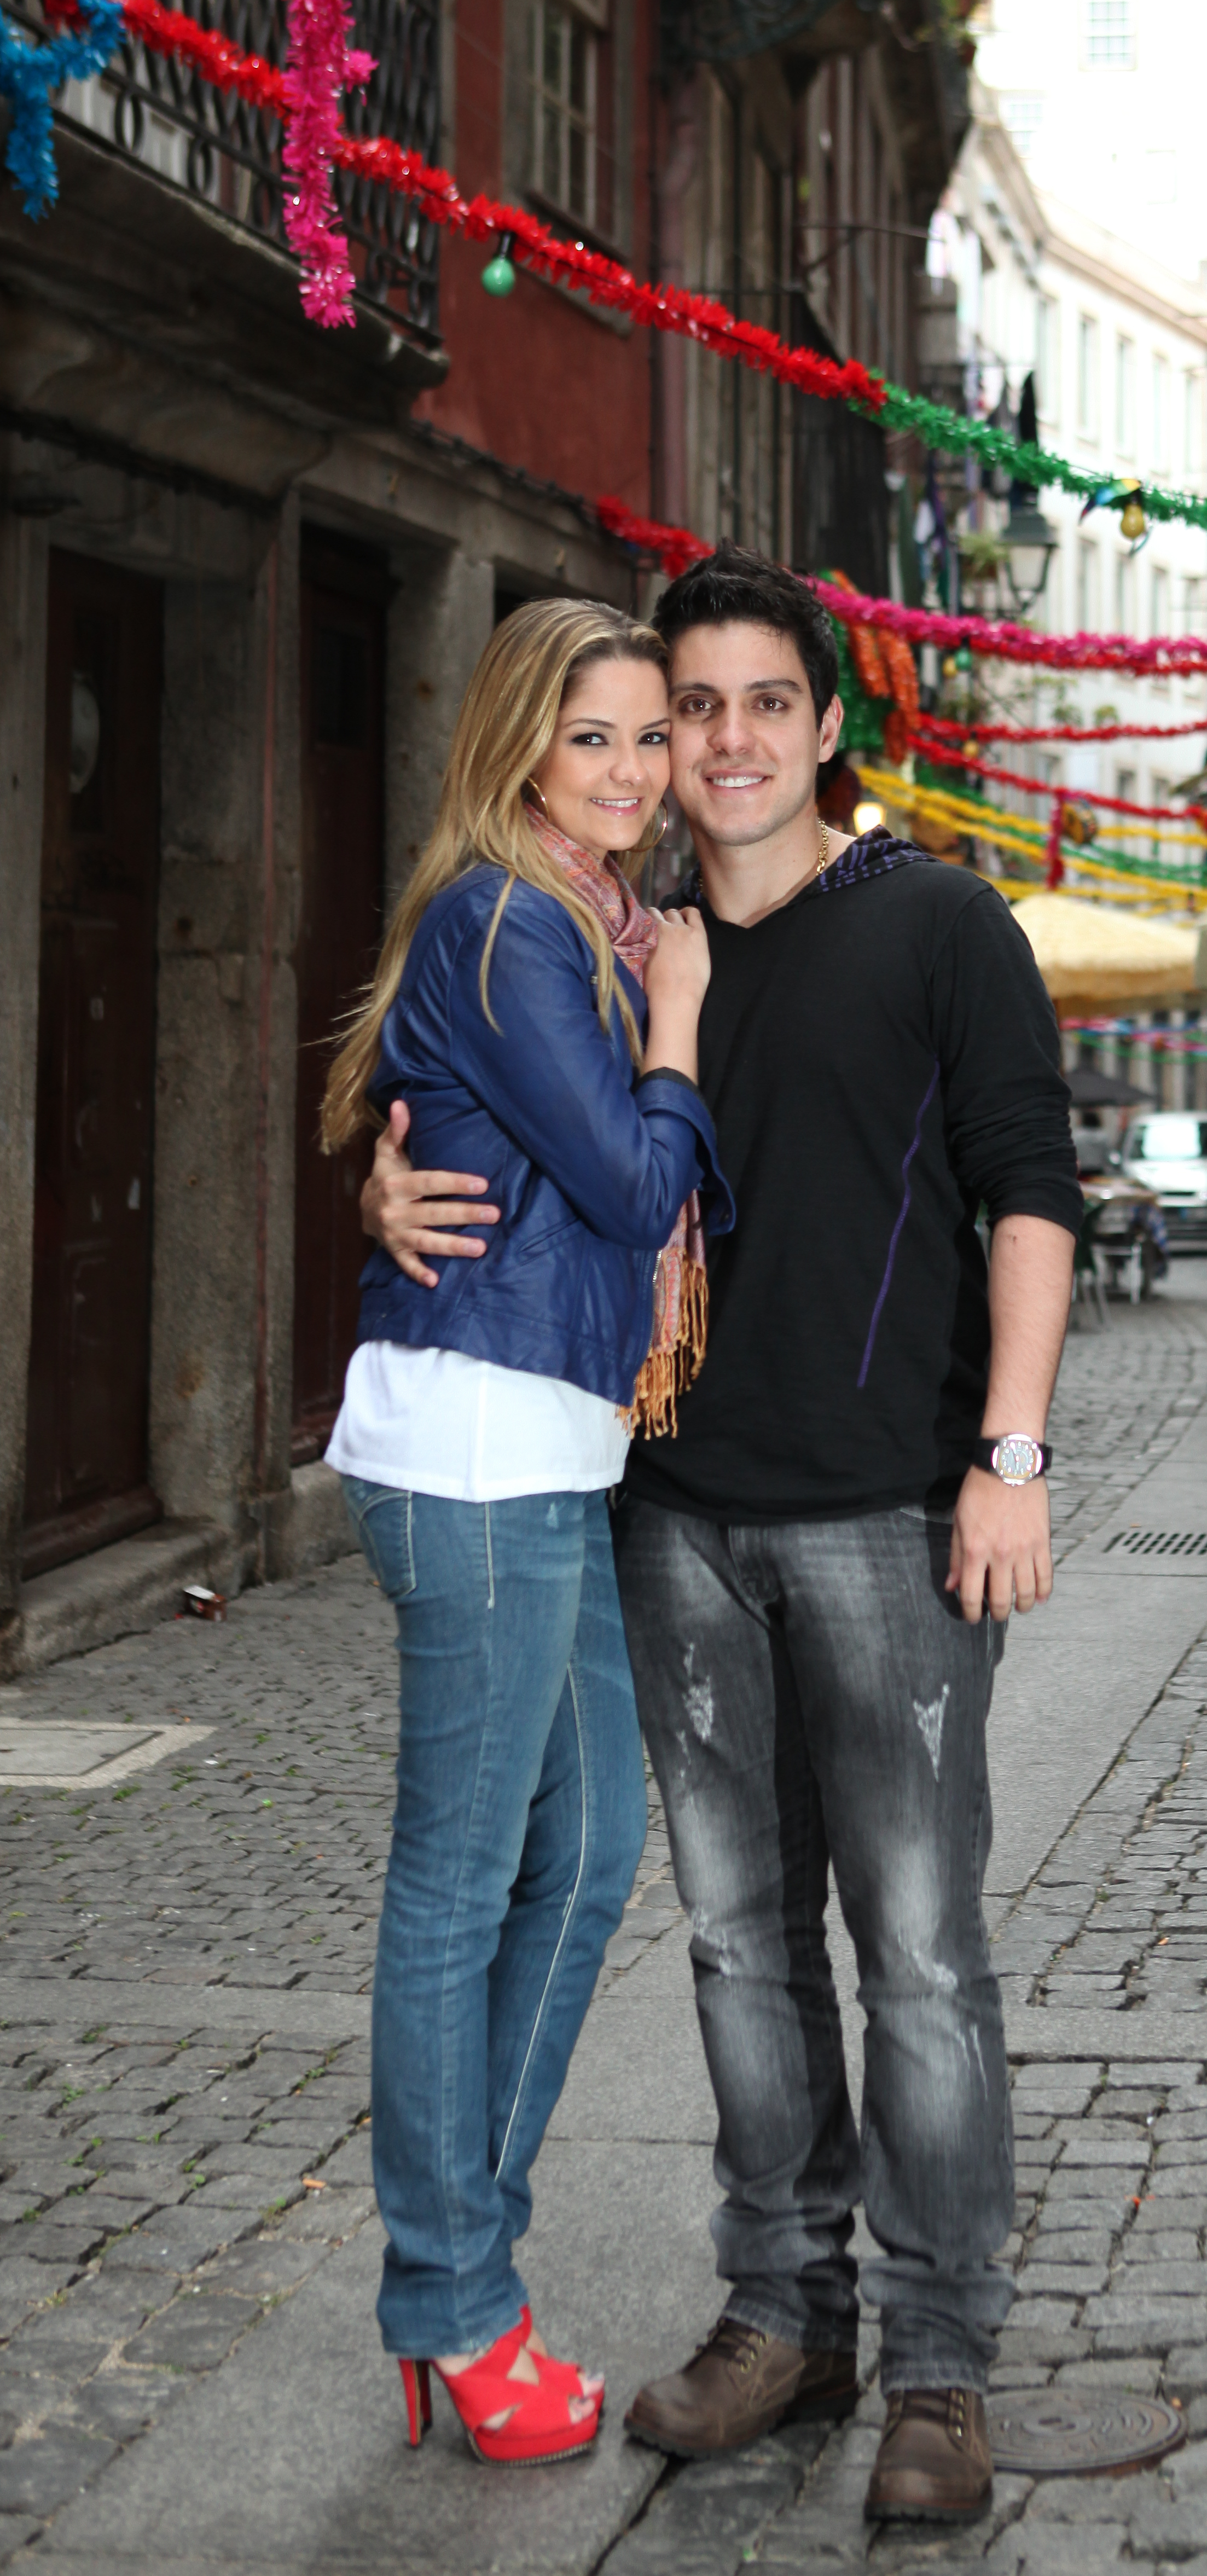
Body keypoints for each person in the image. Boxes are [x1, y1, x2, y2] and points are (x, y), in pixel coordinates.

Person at [357, 544, 1080, 2527]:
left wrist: (1011, 1450)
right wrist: (383, 1191)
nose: (726, 737)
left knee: (919, 1953)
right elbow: (501, 1117)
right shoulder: (620, 934)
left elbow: (1032, 1191)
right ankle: (784, 2311)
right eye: (695, 708)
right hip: (665, 1515)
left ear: (828, 726)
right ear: (658, 741)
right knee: (740, 1945)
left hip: (889, 1516)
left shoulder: (938, 924)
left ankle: (938, 2361)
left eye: (769, 700)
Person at [320, 600, 729, 2465]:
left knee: (588, 1856)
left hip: (544, 1436)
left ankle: (457, 2255)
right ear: (515, 746)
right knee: (464, 1873)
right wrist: (688, 1031)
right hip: (477, 1444)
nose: (636, 775)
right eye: (598, 741)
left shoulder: (588, 925)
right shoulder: (516, 918)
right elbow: (634, 1174)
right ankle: (457, 2300)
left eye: (652, 739)